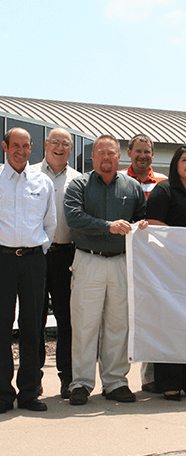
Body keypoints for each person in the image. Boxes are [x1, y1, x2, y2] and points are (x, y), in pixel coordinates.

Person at [64, 134, 148, 406]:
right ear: (92, 157)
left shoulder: (132, 186)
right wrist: (108, 226)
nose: (106, 158)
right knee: (85, 325)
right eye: (101, 153)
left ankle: (115, 382)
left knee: (118, 325)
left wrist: (143, 224)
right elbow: (73, 217)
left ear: (119, 156)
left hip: (122, 261)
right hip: (88, 260)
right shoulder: (79, 184)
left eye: (111, 153)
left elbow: (140, 217)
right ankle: (81, 383)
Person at [146, 144, 186, 400]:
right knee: (170, 323)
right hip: (169, 266)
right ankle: (168, 383)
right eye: (185, 160)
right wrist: (183, 234)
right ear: (176, 164)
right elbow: (153, 223)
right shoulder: (164, 190)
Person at [0, 127, 56, 413]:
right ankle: (3, 394)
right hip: (3, 259)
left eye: (26, 146)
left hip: (34, 260)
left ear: (32, 148)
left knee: (33, 327)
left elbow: (50, 224)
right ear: (5, 146)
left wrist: (38, 251)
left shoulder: (42, 182)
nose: (21, 151)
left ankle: (29, 392)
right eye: (15, 145)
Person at [32, 128, 80, 399]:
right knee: (33, 319)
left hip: (66, 255)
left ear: (71, 149)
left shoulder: (78, 180)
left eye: (66, 144)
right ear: (45, 144)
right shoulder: (30, 174)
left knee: (67, 320)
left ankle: (68, 379)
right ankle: (33, 378)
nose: (60, 147)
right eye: (55, 142)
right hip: (36, 255)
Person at [120, 133, 167, 393]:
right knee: (122, 320)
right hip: (123, 257)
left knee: (153, 317)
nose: (143, 155)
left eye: (147, 151)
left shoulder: (163, 182)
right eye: (138, 151)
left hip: (155, 261)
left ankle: (150, 378)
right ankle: (117, 379)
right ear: (129, 153)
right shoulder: (118, 179)